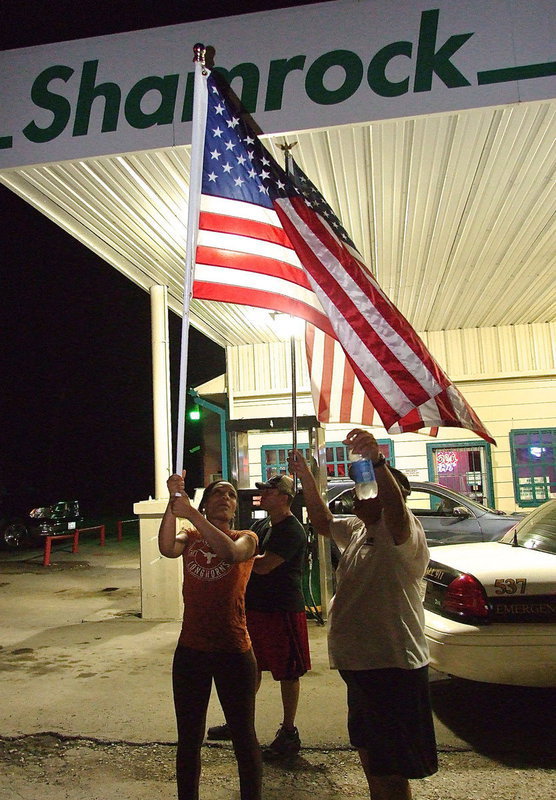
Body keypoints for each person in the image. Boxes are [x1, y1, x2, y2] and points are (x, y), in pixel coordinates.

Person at [288, 430, 438, 800]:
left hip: (392, 667)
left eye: (368, 486)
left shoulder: (402, 533)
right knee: (371, 757)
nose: (361, 493)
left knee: (392, 768)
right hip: (360, 666)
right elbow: (322, 522)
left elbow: (397, 512)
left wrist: (376, 461)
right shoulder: (359, 529)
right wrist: (306, 475)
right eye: (360, 485)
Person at [158, 474, 262, 800]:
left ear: (235, 508)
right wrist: (174, 500)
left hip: (234, 650)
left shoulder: (246, 537)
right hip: (192, 650)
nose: (225, 498)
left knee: (243, 736)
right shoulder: (190, 537)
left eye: (231, 495)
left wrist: (192, 514)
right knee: (189, 739)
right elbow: (164, 547)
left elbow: (230, 553)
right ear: (205, 502)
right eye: (218, 493)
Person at [208, 474, 311, 759]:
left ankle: (289, 731)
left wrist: (234, 555)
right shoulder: (262, 524)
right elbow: (243, 544)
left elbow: (264, 566)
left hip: (282, 610)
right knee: (251, 668)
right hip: (257, 609)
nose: (262, 494)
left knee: (288, 672)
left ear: (285, 497)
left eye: (269, 490)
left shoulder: (292, 530)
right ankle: (239, 723)